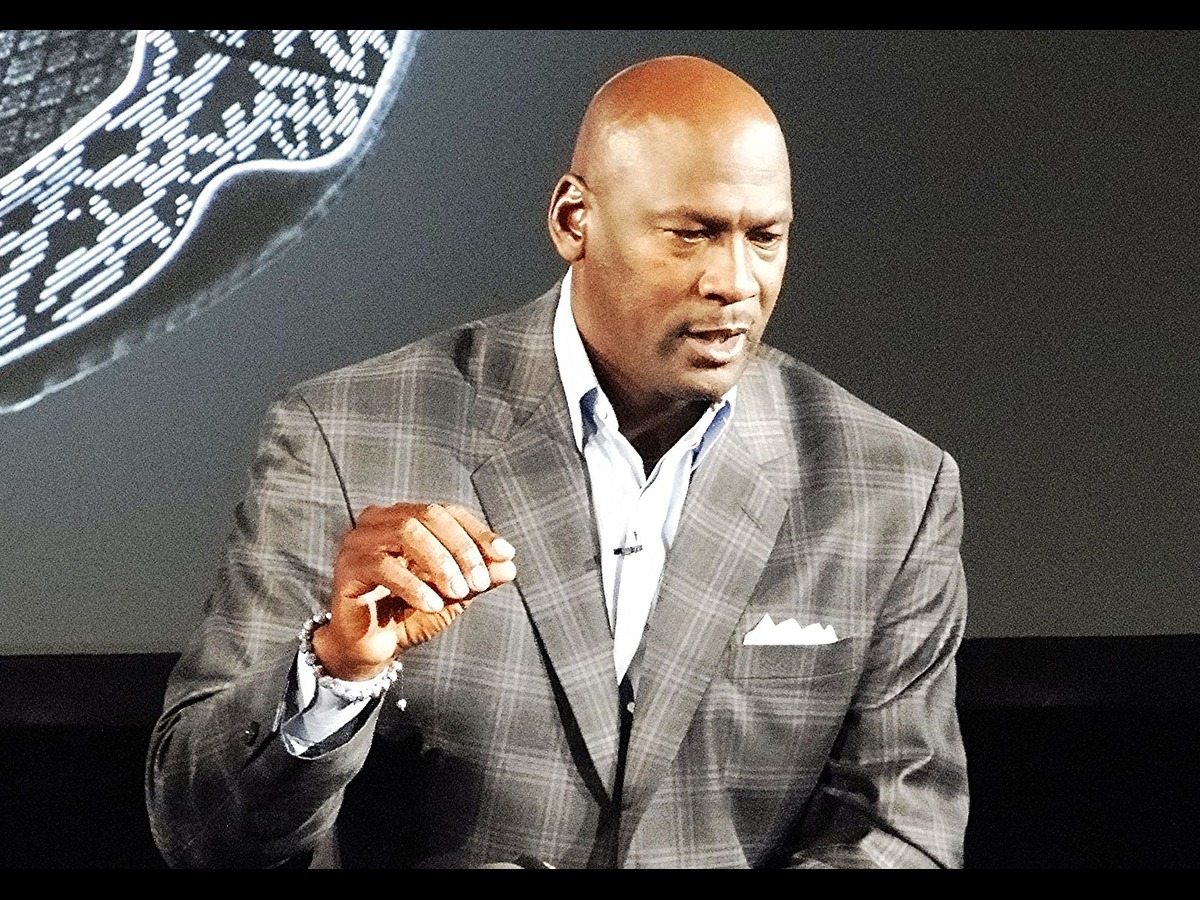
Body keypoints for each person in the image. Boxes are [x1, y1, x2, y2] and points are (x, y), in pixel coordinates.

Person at [145, 53, 969, 869]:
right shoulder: (344, 436)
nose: (735, 281)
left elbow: (902, 838)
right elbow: (201, 835)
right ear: (575, 219)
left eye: (766, 238)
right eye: (692, 234)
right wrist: (338, 668)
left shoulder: (891, 488)